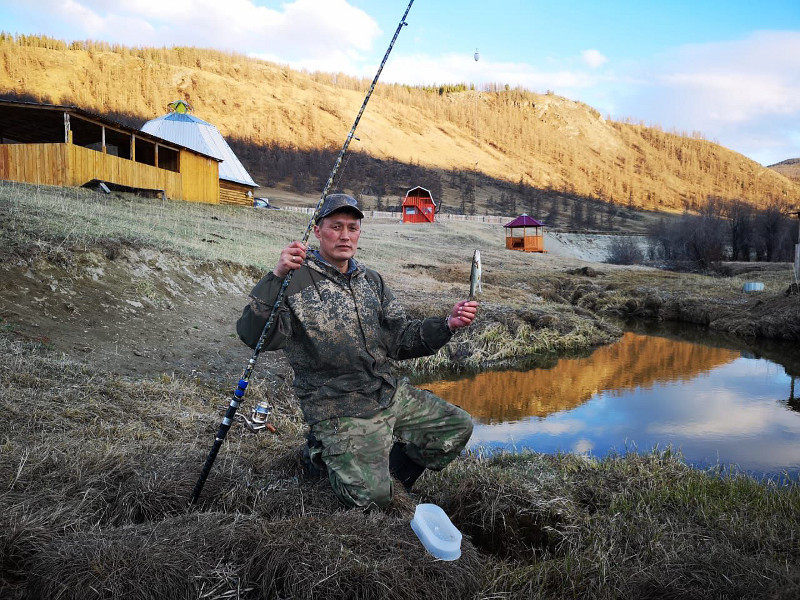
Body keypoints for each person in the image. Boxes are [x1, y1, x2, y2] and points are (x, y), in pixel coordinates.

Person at [237, 193, 477, 509]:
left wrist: (447, 323)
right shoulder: (292, 280)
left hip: (386, 394)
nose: (345, 235)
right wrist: (276, 276)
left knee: (456, 427)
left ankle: (389, 478)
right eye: (336, 226)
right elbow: (256, 337)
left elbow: (400, 339)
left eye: (353, 227)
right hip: (336, 406)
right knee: (370, 498)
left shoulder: (371, 281)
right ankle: (321, 456)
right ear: (318, 230)